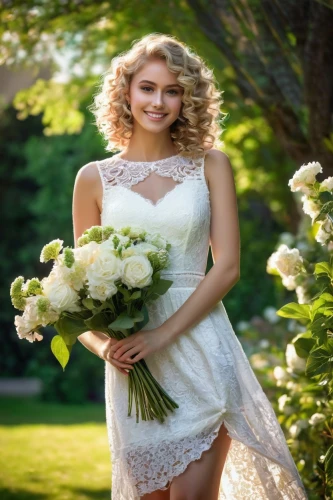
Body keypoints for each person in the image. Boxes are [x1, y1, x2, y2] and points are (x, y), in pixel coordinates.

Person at [72, 33, 308, 500]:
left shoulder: (210, 165)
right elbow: (80, 297)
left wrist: (161, 335)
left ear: (188, 99)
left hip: (201, 351)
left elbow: (228, 267)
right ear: (126, 91)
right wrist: (104, 349)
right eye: (147, 87)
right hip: (133, 372)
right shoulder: (93, 179)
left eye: (173, 90)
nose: (158, 102)